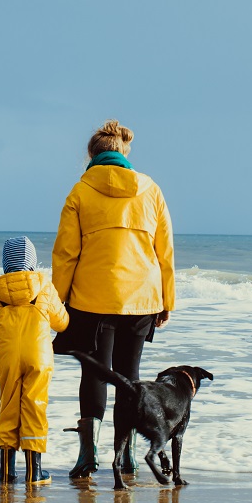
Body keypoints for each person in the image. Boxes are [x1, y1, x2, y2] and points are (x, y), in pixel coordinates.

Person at [52, 119, 175, 479]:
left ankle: (87, 455)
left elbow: (65, 255)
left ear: (92, 155)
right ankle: (128, 457)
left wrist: (57, 302)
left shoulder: (80, 191)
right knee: (129, 376)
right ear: (123, 153)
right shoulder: (150, 189)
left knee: (94, 375)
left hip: (92, 297)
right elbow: (164, 251)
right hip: (142, 297)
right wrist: (168, 298)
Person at [0, 236, 69, 485]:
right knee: (35, 406)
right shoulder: (45, 288)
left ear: (5, 265)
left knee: (8, 407)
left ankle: (7, 472)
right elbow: (62, 323)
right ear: (32, 263)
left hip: (8, 360)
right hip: (39, 358)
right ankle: (34, 472)